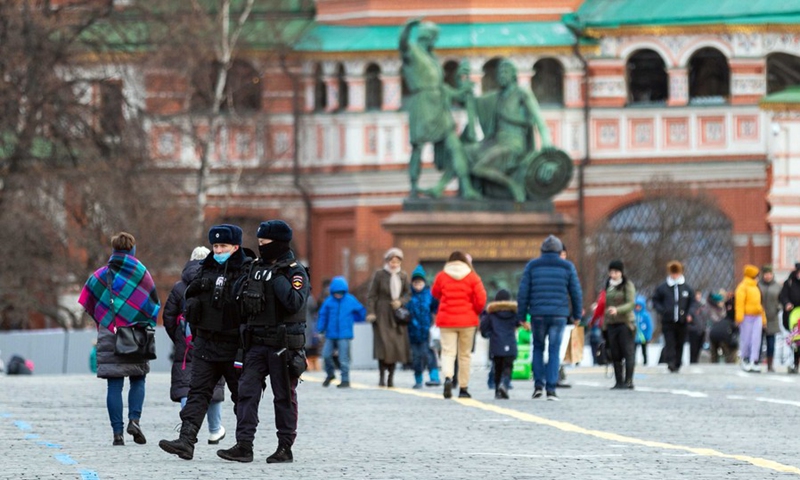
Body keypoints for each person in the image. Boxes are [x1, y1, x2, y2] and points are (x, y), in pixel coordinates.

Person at [217, 220, 310, 464]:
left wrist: (275, 277)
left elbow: (294, 303)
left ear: (278, 244)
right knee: (246, 393)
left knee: (284, 397)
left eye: (265, 244)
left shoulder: (294, 271)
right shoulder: (254, 268)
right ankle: (244, 445)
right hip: (256, 343)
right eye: (258, 244)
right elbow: (237, 301)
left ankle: (284, 447)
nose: (261, 248)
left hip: (283, 345)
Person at [159, 224, 251, 460]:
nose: (218, 250)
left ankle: (244, 445)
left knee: (241, 396)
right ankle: (186, 441)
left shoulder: (246, 271)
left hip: (234, 347)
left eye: (224, 246)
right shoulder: (205, 270)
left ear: (235, 247)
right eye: (216, 246)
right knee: (197, 392)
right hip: (206, 345)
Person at [78, 232, 160, 446]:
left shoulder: (100, 275)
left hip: (110, 333)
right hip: (137, 335)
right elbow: (153, 305)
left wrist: (104, 319)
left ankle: (118, 434)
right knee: (138, 379)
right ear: (132, 249)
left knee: (114, 387)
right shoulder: (142, 274)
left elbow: (87, 302)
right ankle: (135, 420)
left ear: (113, 250)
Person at [399, 19, 481, 200]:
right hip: (422, 105)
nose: (435, 41)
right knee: (418, 147)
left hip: (439, 106)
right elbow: (402, 45)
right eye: (434, 37)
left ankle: (466, 187)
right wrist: (407, 28)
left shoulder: (432, 58)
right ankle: (413, 187)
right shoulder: (412, 52)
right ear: (428, 37)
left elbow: (442, 87)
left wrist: (461, 90)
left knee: (455, 146)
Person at [162, 246, 226, 445]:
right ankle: (214, 430)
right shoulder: (216, 281)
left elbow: (168, 317)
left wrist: (179, 337)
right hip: (211, 341)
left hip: (187, 344)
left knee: (185, 386)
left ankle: (187, 428)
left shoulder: (179, 287)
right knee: (214, 386)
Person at [466, 59, 553, 202]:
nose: (501, 75)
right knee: (467, 152)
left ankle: (513, 186)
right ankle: (474, 194)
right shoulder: (497, 97)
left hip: (513, 144)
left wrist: (547, 142)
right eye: (499, 72)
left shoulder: (522, 93)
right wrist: (465, 90)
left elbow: (539, 120)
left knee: (478, 167)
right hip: (494, 142)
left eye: (505, 72)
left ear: (513, 75)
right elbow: (475, 102)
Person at [517, 235, 582, 401]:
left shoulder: (532, 265)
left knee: (538, 348)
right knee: (554, 350)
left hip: (537, 314)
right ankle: (551, 388)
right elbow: (575, 292)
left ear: (542, 251)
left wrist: (522, 316)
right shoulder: (567, 267)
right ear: (560, 251)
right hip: (559, 315)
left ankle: (538, 385)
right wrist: (576, 315)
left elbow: (523, 292)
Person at [432, 251, 487, 399]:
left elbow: (435, 293)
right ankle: (463, 388)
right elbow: (481, 300)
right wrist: (473, 310)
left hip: (446, 320)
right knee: (464, 355)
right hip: (467, 321)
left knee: (448, 352)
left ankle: (448, 378)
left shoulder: (441, 276)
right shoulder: (473, 277)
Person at [366, 248, 411, 388]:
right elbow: (372, 295)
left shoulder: (403, 275)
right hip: (382, 313)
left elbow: (408, 294)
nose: (394, 264)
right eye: (392, 261)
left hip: (397, 315)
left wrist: (401, 302)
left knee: (395, 346)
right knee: (383, 346)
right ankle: (382, 376)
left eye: (397, 261)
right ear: (387, 261)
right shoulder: (380, 275)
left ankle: (391, 377)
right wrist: (371, 312)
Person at [317, 275, 365, 388]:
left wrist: (356, 320)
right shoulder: (329, 302)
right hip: (330, 333)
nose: (338, 294)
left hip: (344, 334)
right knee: (326, 355)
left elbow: (361, 311)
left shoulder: (350, 300)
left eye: (341, 292)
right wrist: (320, 328)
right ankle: (330, 374)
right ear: (332, 291)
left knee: (344, 358)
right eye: (336, 292)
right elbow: (323, 315)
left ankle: (345, 380)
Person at [651, 260, 695, 373]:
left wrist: (689, 314)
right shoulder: (663, 288)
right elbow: (655, 301)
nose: (675, 276)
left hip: (682, 320)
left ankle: (678, 362)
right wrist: (663, 311)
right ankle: (670, 362)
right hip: (668, 320)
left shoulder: (686, 288)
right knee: (669, 342)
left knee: (680, 342)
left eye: (677, 273)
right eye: (673, 273)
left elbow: (692, 303)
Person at [602, 260, 636, 389]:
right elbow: (604, 302)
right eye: (611, 272)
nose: (613, 274)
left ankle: (629, 380)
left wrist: (618, 310)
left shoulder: (627, 285)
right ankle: (618, 381)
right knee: (615, 353)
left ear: (621, 272)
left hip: (625, 323)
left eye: (616, 272)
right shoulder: (607, 286)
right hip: (611, 323)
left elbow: (631, 303)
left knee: (628, 352)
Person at [479, 289, 519, 399]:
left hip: (496, 344)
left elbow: (484, 327)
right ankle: (505, 383)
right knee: (508, 366)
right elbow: (519, 322)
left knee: (497, 367)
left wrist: (486, 334)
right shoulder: (514, 312)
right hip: (510, 343)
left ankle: (497, 390)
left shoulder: (491, 313)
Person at [407, 265, 441, 389]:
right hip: (412, 332)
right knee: (416, 357)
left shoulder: (430, 295)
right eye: (415, 283)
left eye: (420, 282)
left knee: (429, 354)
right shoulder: (408, 296)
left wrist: (435, 322)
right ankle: (418, 379)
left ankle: (434, 377)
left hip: (427, 331)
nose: (418, 285)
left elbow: (436, 308)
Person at [735, 264, 766, 373]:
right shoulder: (742, 287)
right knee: (746, 338)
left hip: (757, 315)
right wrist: (739, 316)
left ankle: (755, 360)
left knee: (756, 339)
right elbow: (739, 303)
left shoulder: (756, 287)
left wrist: (763, 318)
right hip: (746, 316)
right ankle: (746, 358)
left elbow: (760, 304)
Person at [759, 265, 782, 372]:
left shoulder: (777, 287)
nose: (768, 276)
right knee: (758, 342)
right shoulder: (758, 286)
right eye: (766, 274)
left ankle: (770, 364)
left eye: (770, 274)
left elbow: (781, 300)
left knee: (771, 343)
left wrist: (778, 308)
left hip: (773, 318)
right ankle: (757, 362)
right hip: (759, 318)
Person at [779, 263, 800, 373]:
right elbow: (782, 296)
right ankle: (794, 363)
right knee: (795, 340)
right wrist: (787, 303)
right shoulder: (789, 283)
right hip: (792, 317)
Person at [704, 292, 735, 363]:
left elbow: (724, 316)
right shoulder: (710, 308)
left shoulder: (722, 308)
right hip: (713, 331)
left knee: (723, 348)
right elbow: (714, 318)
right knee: (715, 350)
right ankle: (715, 362)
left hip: (720, 331)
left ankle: (726, 362)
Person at [687, 291, 707, 364]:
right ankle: (692, 362)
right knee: (693, 348)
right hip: (693, 329)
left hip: (701, 329)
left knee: (699, 348)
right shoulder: (691, 306)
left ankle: (696, 361)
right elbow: (689, 318)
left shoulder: (702, 306)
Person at [633, 295, 653, 365]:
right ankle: (633, 361)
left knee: (643, 350)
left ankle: (645, 361)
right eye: (636, 306)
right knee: (633, 350)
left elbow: (649, 326)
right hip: (634, 336)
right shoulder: (633, 315)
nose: (637, 308)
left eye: (639, 306)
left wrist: (648, 336)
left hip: (643, 336)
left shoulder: (645, 315)